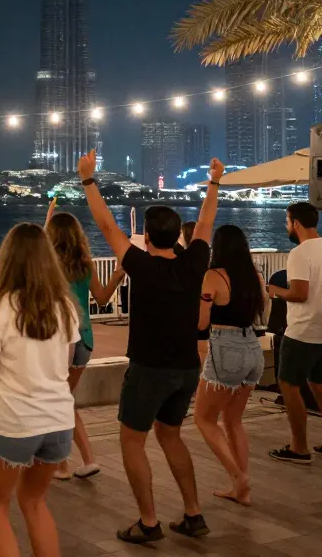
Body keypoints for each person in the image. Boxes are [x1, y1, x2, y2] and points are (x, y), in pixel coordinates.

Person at [81, 149, 221, 544]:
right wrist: (214, 183)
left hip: (149, 369)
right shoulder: (194, 261)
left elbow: (107, 225)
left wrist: (88, 180)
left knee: (132, 439)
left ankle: (148, 521)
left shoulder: (141, 265)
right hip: (187, 367)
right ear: (179, 234)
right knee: (171, 434)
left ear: (146, 233)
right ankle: (193, 514)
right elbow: (207, 221)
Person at [0, 223, 79, 557]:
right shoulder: (64, 306)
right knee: (35, 503)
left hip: (13, 422)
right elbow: (66, 363)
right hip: (58, 422)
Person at [43, 205, 125, 480]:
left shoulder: (48, 264)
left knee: (58, 401)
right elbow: (102, 299)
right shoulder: (85, 263)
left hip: (58, 340)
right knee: (63, 400)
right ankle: (82, 459)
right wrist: (117, 275)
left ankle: (63, 462)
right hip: (84, 340)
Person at [267, 202, 322, 464]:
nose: (286, 226)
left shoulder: (299, 254)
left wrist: (274, 290)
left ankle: (300, 447)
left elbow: (299, 294)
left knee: (290, 386)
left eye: (287, 221)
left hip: (303, 332)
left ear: (296, 223)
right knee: (320, 385)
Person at [194, 225, 265, 507]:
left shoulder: (213, 276)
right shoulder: (254, 276)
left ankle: (239, 476)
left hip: (226, 349)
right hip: (252, 349)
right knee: (234, 421)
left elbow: (201, 322)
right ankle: (241, 487)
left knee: (204, 419)